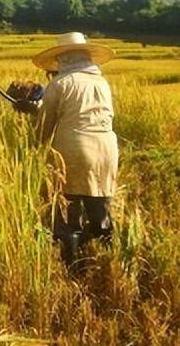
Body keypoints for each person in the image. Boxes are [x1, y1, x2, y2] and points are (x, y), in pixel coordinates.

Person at [31, 32, 119, 267]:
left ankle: (74, 269)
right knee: (100, 209)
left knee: (70, 213)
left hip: (74, 149)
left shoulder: (59, 84)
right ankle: (110, 264)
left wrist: (32, 147)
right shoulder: (102, 82)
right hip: (107, 149)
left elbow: (43, 127)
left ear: (66, 58)